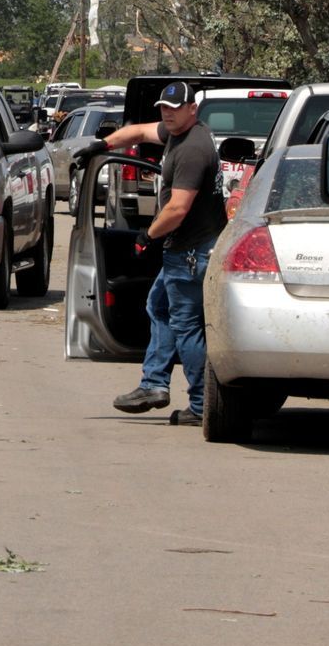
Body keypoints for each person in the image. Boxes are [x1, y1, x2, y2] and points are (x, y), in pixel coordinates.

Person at [78, 80, 228, 426]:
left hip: (191, 253)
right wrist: (101, 145)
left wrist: (148, 235)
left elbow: (177, 208)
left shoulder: (192, 149)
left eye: (175, 109)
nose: (167, 114)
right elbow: (139, 132)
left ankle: (201, 405)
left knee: (186, 327)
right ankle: (154, 384)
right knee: (158, 307)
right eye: (164, 108)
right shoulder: (178, 132)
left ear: (193, 109)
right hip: (188, 249)